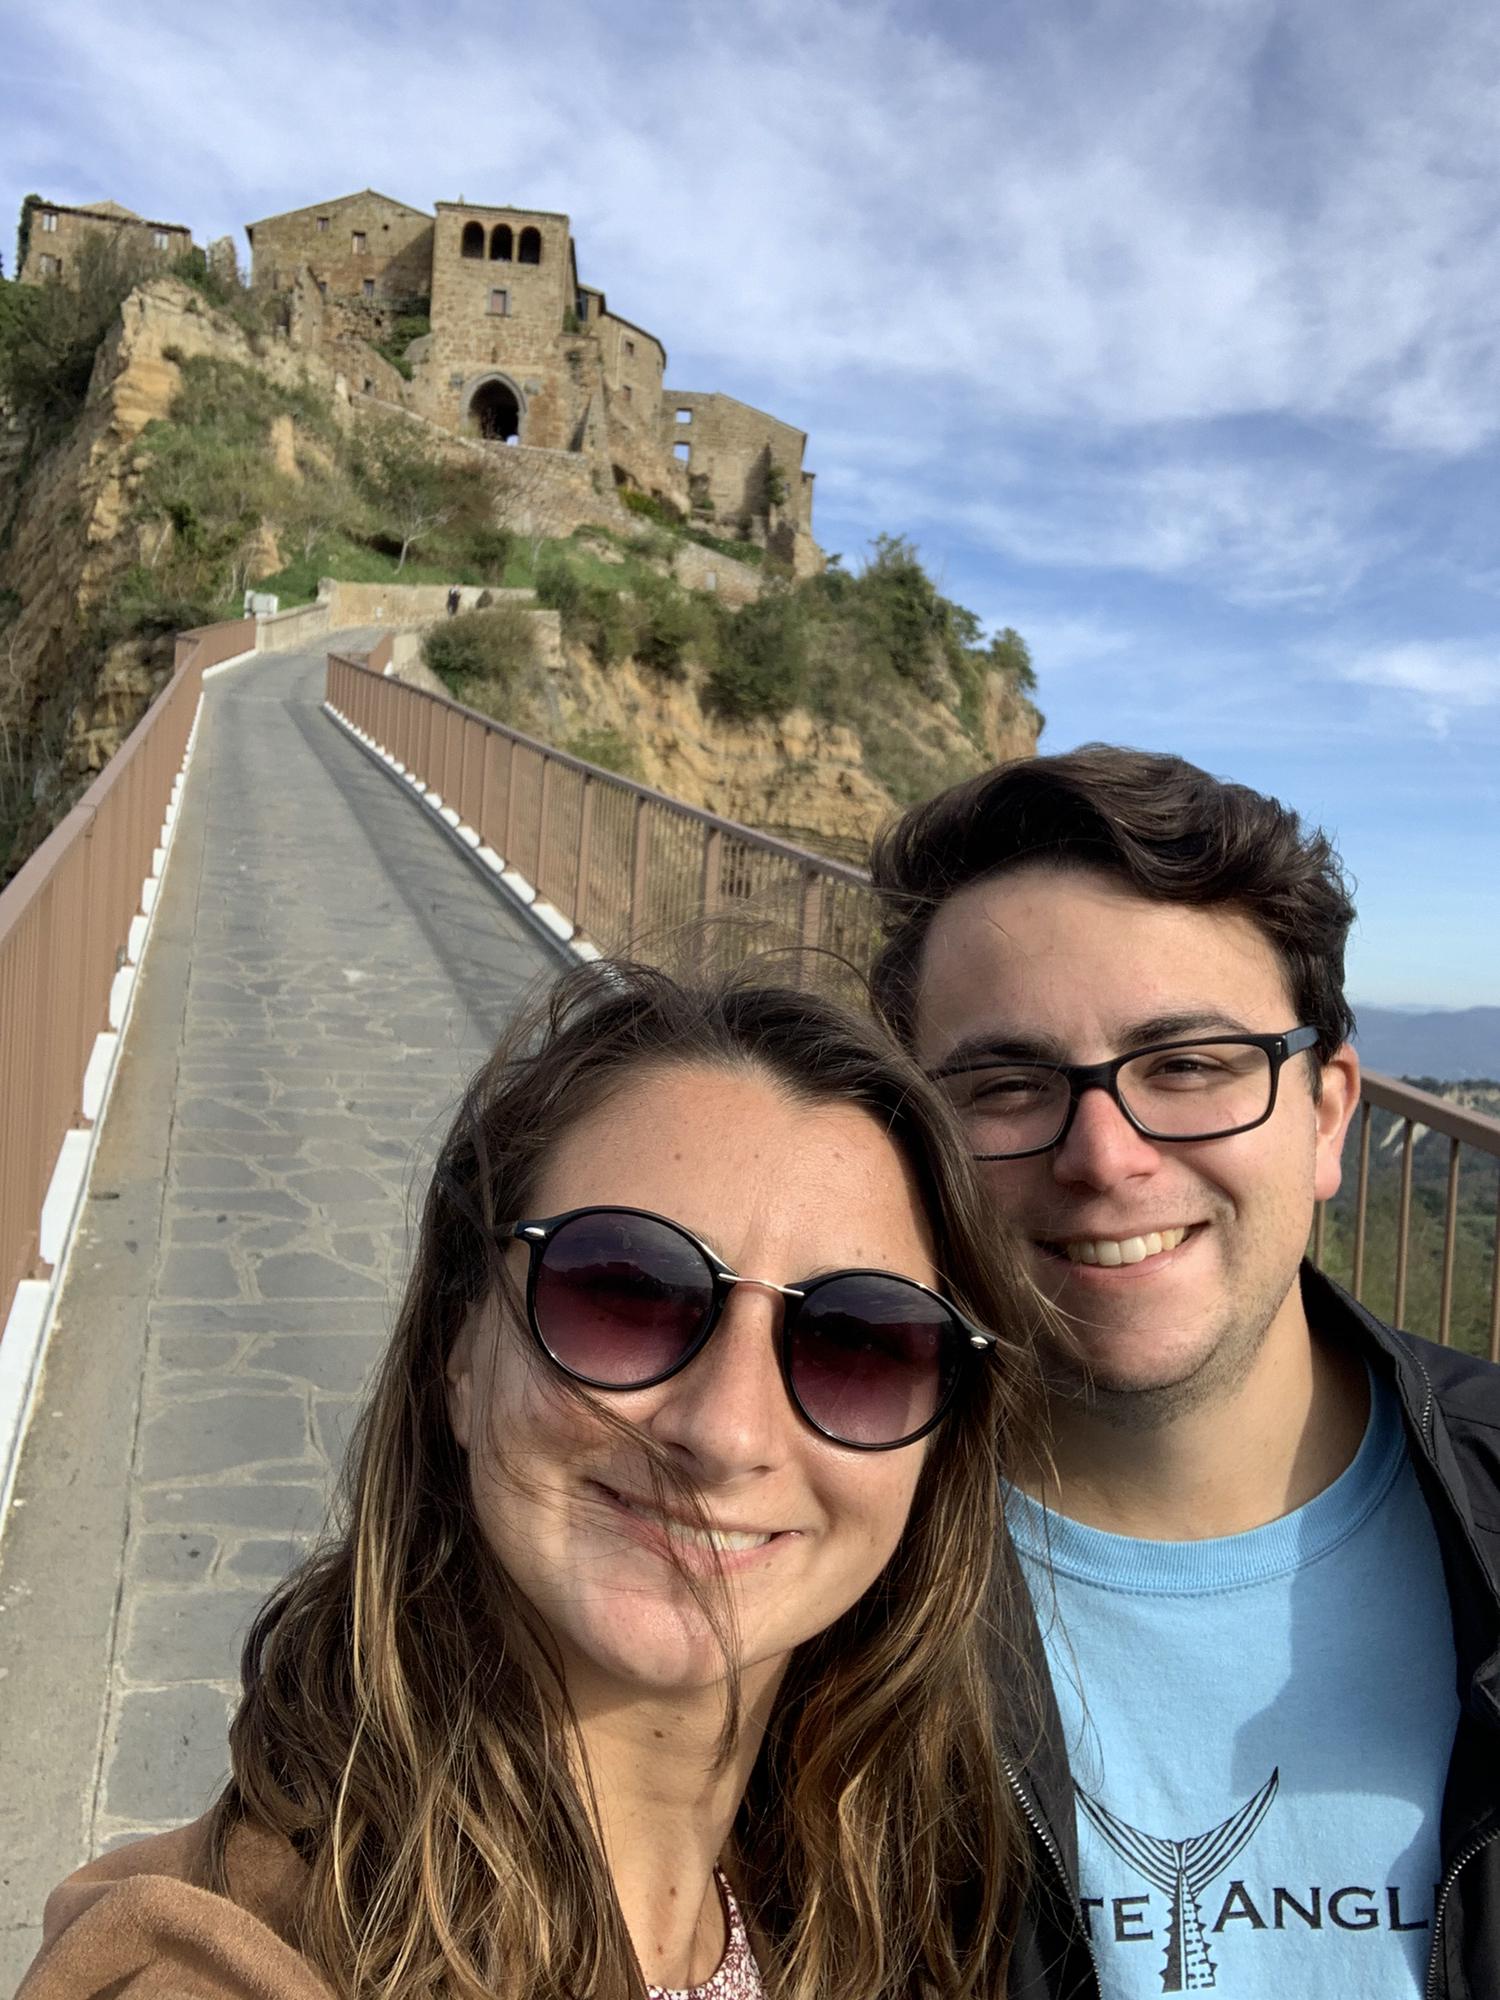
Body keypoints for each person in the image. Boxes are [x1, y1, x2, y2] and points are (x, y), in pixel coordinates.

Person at [22, 962, 1047, 2000]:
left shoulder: (895, 1913)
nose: (727, 1430)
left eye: (857, 1342)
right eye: (622, 1292)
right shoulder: (214, 1956)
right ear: (461, 1349)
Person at [869, 745, 1500, 2000]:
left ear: (1326, 1113)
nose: (1105, 1155)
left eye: (1192, 1065)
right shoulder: (823, 1546)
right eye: (1004, 1085)